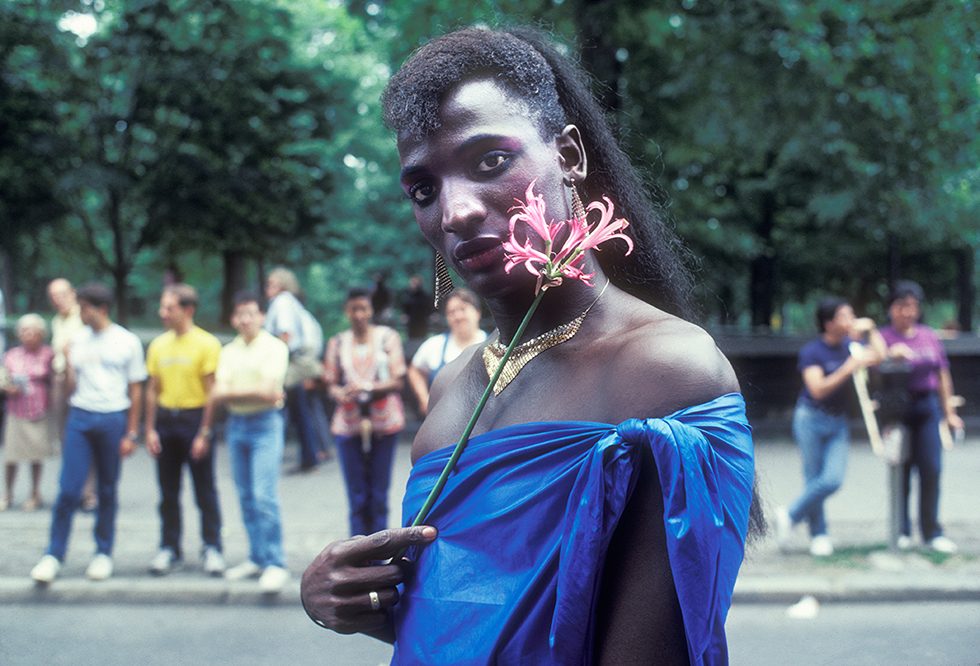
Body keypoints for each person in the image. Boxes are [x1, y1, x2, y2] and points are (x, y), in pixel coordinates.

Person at [301, 27, 760, 665]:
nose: (455, 212)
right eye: (424, 190)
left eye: (490, 161)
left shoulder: (669, 372)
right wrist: (343, 598)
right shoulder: (453, 381)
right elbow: (465, 627)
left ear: (568, 154)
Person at [30, 283, 145, 584]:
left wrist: (132, 433)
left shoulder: (126, 342)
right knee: (68, 489)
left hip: (112, 416)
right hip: (81, 416)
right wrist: (67, 364)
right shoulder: (77, 340)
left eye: (85, 307)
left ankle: (102, 552)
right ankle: (54, 554)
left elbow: (136, 389)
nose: (80, 312)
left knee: (106, 489)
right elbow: (71, 386)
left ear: (101, 309)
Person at [776, 298, 885, 557]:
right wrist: (848, 368)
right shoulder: (813, 352)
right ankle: (819, 534)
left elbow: (881, 355)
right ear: (828, 323)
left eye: (851, 314)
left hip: (838, 421)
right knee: (814, 478)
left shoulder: (852, 346)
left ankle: (789, 515)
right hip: (810, 418)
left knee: (832, 479)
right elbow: (818, 389)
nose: (850, 319)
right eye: (844, 315)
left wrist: (871, 330)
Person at [211, 291, 291, 593]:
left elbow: (270, 392)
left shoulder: (274, 347)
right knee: (244, 495)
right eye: (240, 314)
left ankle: (275, 562)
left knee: (263, 494)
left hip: (265, 424)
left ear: (261, 316)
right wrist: (253, 390)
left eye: (251, 313)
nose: (245, 319)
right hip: (237, 425)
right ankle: (256, 557)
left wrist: (235, 390)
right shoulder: (229, 350)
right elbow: (218, 391)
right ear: (233, 318)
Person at [144, 284, 225, 576]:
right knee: (168, 491)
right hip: (166, 420)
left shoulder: (206, 344)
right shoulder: (158, 345)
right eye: (163, 307)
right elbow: (152, 390)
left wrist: (204, 432)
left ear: (188, 310)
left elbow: (212, 391)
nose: (162, 313)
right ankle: (169, 547)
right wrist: (150, 429)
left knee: (204, 489)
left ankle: (212, 547)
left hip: (194, 419)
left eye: (169, 307)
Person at [880, 280, 963, 554]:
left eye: (913, 306)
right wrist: (889, 356)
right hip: (896, 409)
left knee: (931, 468)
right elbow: (869, 368)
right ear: (892, 308)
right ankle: (900, 530)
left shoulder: (928, 336)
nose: (908, 312)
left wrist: (949, 412)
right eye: (902, 306)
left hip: (927, 407)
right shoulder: (883, 338)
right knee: (900, 470)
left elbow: (942, 375)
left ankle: (931, 532)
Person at [323, 288, 406, 537]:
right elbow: (330, 383)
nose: (359, 315)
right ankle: (358, 554)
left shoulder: (387, 338)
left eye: (364, 309)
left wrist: (369, 387)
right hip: (349, 423)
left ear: (371, 311)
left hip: (384, 421)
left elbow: (397, 380)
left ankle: (379, 554)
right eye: (354, 309)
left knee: (379, 493)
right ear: (347, 311)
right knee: (357, 494)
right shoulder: (337, 343)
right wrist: (340, 393)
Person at [265, 267, 328, 473]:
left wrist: (275, 363)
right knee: (302, 409)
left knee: (279, 407)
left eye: (272, 284)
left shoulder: (282, 302)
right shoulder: (293, 303)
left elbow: (285, 334)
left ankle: (278, 455)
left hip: (291, 362)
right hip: (302, 360)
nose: (267, 288)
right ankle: (311, 454)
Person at [47, 278, 95, 512]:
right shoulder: (57, 321)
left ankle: (88, 493)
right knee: (66, 438)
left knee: (86, 434)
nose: (58, 300)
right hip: (59, 379)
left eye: (62, 294)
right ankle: (72, 489)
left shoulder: (84, 317)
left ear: (73, 293)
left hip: (81, 381)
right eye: (53, 296)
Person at [1, 314, 56, 511]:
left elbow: (54, 380)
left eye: (32, 330)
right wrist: (8, 388)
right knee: (11, 455)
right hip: (16, 409)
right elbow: (2, 379)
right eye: (24, 331)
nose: (28, 335)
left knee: (35, 455)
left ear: (41, 334)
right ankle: (7, 494)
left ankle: (35, 493)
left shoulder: (48, 354)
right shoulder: (11, 355)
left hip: (38, 409)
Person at [407, 288, 487, 416]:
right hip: (442, 423)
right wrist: (423, 398)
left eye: (463, 309)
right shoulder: (434, 345)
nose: (458, 316)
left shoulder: (494, 345)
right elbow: (414, 370)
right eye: (451, 312)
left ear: (477, 312)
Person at [401, 274, 432, 341]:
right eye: (412, 283)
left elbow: (429, 308)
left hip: (422, 322)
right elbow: (405, 308)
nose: (413, 285)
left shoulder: (425, 296)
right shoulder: (407, 295)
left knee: (421, 339)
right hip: (411, 324)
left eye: (415, 283)